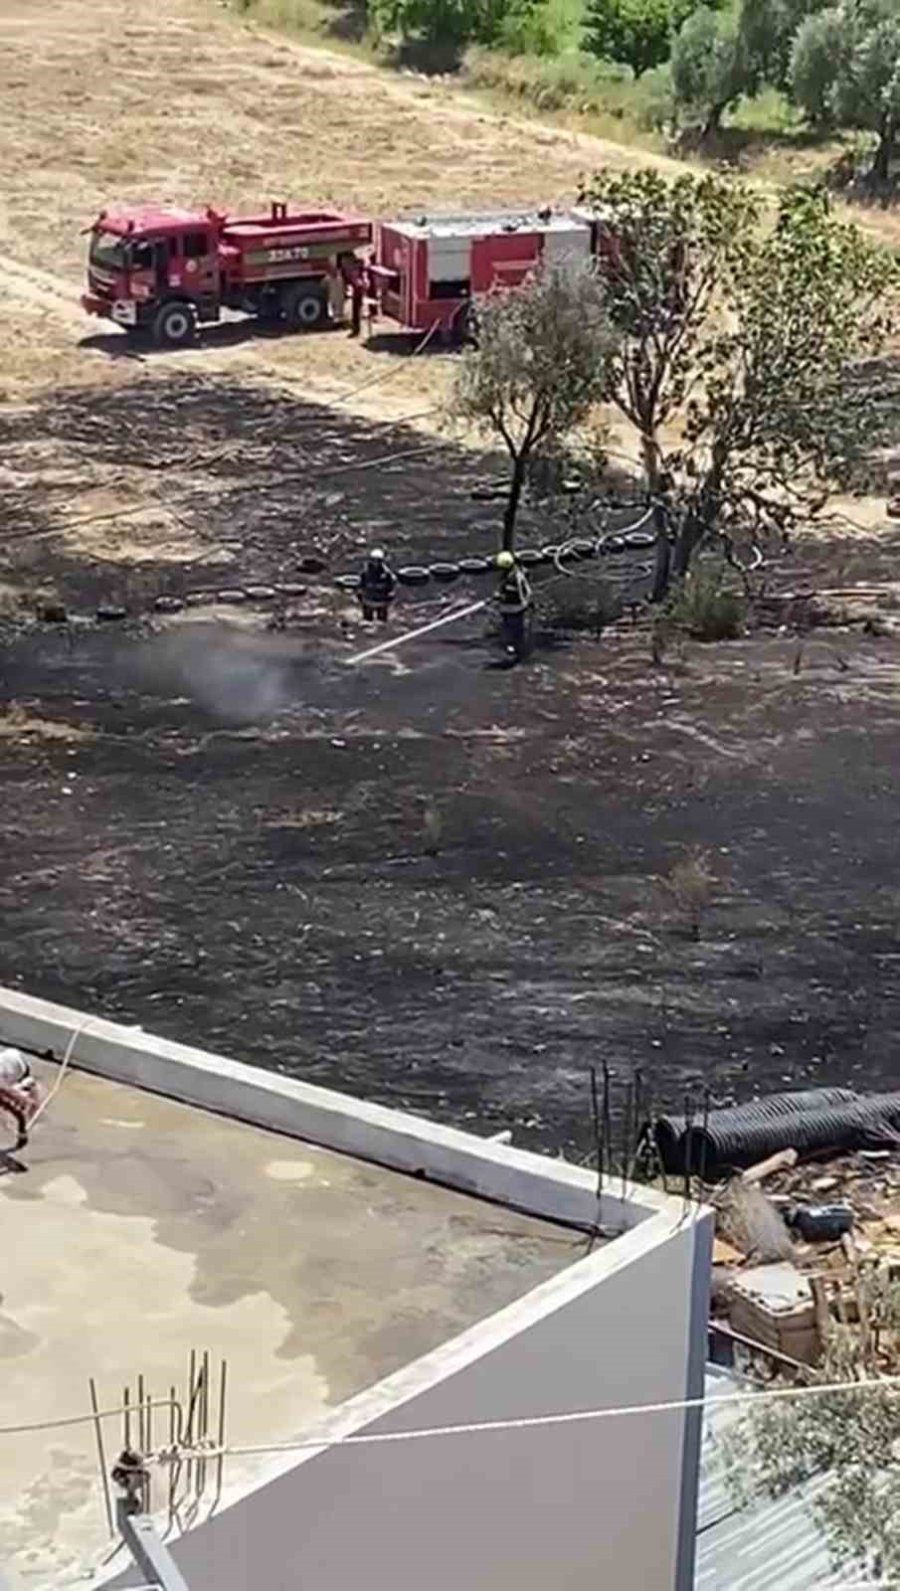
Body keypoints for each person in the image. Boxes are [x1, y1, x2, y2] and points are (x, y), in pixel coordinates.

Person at [493, 549, 533, 661]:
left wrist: (499, 596)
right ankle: (518, 645)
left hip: (513, 609)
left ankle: (513, 649)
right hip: (517, 608)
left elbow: (511, 595)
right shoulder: (519, 572)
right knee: (516, 627)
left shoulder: (512, 580)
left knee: (511, 629)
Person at [358, 548, 396, 622]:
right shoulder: (365, 573)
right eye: (374, 560)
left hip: (382, 601)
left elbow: (392, 587)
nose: (376, 563)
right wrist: (361, 596)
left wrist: (389, 596)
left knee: (382, 621)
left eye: (378, 561)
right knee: (367, 621)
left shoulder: (387, 574)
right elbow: (360, 586)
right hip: (368, 601)